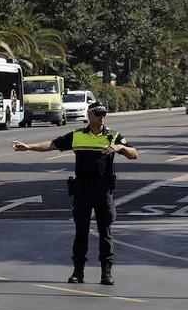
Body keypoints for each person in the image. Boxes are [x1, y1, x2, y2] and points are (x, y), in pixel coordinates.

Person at [12, 101, 137, 285]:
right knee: (81, 232)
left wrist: (121, 148)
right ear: (89, 116)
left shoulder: (113, 136)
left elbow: (134, 154)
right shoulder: (77, 135)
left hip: (103, 190)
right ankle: (78, 272)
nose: (101, 118)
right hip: (82, 190)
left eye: (103, 114)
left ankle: (106, 272)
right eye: (97, 114)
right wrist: (29, 147)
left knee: (105, 232)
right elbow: (52, 145)